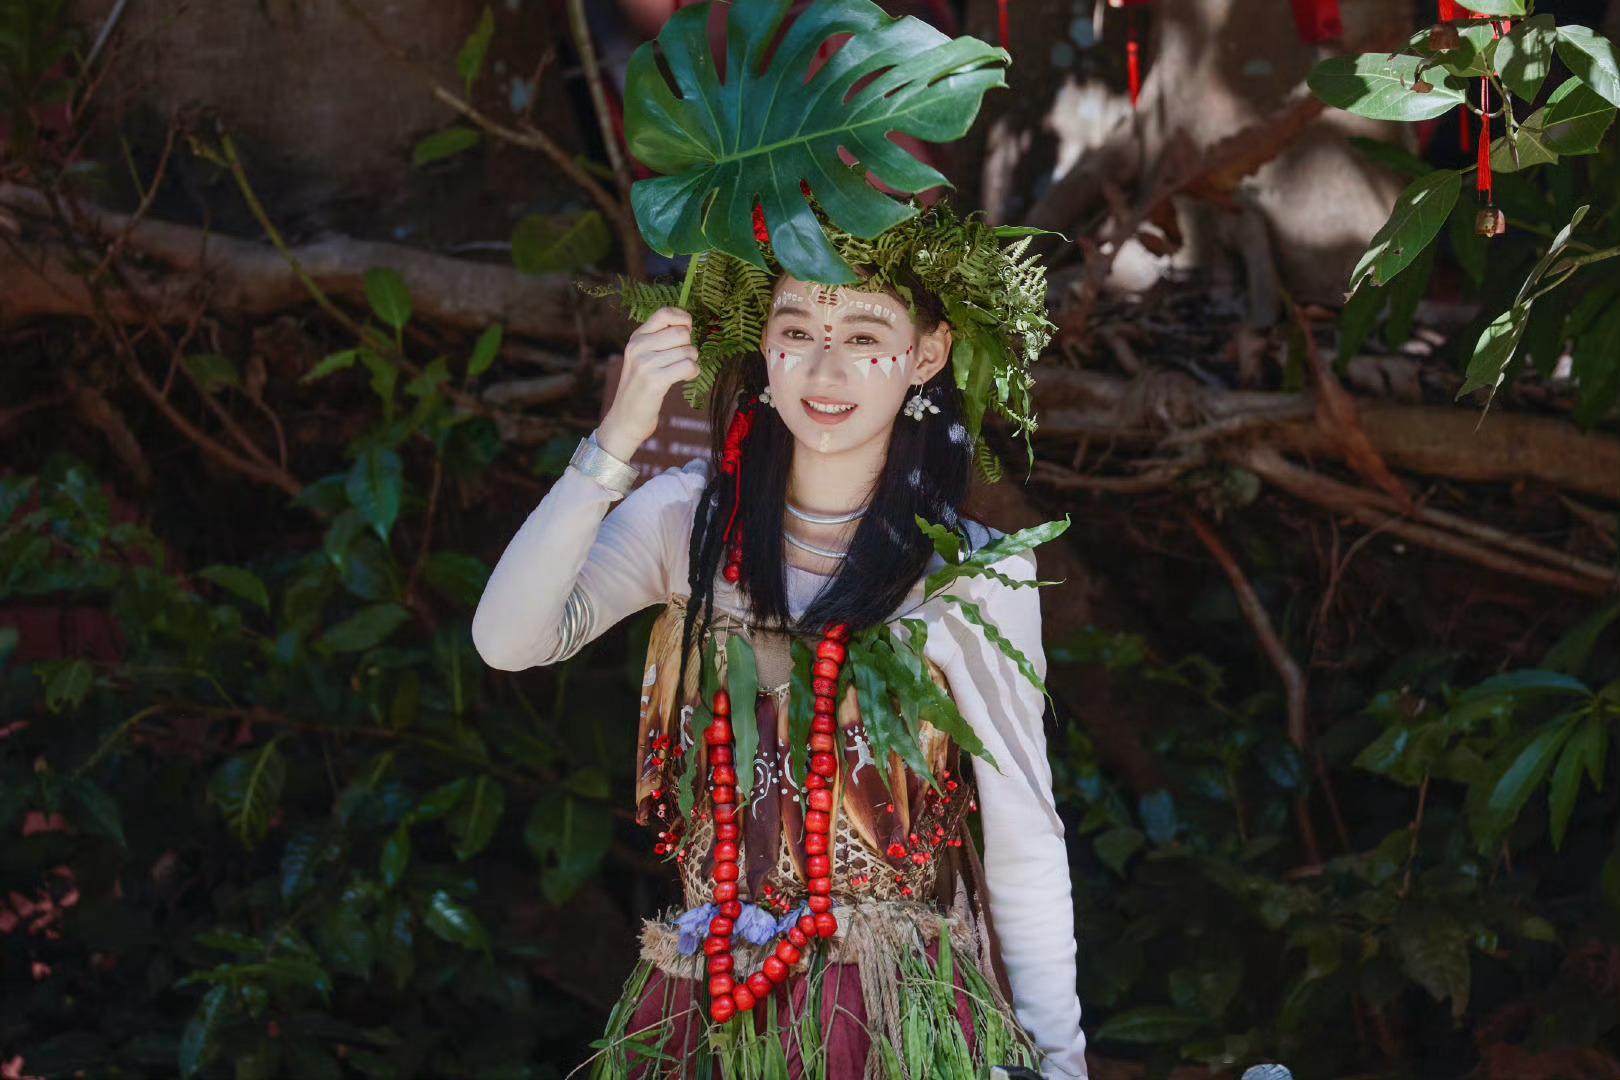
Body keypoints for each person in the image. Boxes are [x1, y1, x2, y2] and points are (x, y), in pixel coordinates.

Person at [473, 2, 1089, 1076]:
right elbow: (509, 640)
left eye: (865, 335)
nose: (826, 368)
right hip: (707, 1005)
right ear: (759, 348)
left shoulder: (972, 576)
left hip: (897, 1022)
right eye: (797, 330)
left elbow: (1026, 843)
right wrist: (615, 440)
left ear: (928, 355)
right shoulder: (687, 520)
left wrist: (1060, 1061)